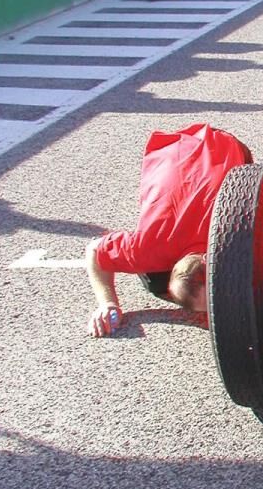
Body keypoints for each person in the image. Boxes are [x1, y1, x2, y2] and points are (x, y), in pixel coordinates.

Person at [85, 124, 253, 337]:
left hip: (223, 146)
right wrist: (107, 303)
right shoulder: (146, 249)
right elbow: (93, 251)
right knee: (154, 282)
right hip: (175, 147)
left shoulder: (234, 233)